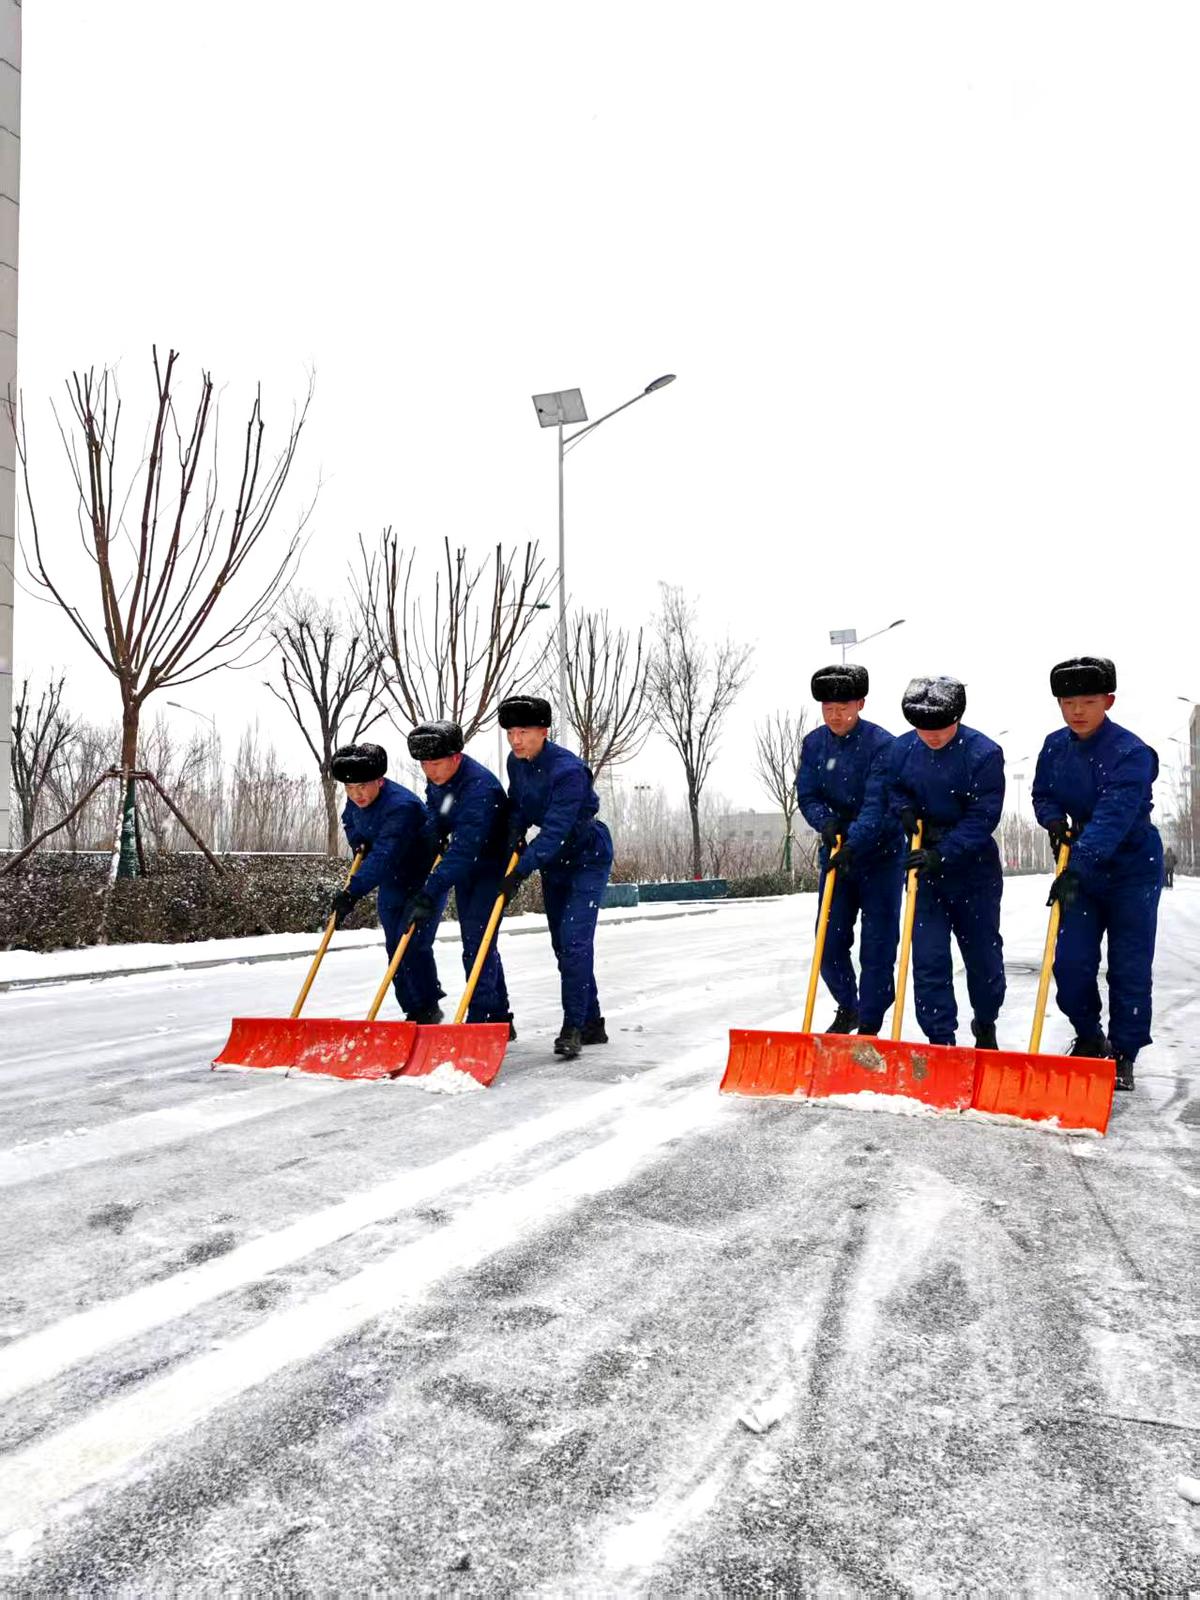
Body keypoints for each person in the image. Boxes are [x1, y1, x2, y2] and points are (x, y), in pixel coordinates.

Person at [1031, 656, 1163, 1092]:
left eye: (1088, 701)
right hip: (1082, 866)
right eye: (1068, 702)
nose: (1078, 711)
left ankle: (1124, 1052)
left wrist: (1078, 865)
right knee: (1071, 964)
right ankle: (1089, 1036)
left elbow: (1114, 817)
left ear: (1108, 700)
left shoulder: (1131, 752)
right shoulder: (1055, 746)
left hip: (1130, 868)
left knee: (1128, 966)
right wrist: (1052, 821)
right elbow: (1043, 793)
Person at [884, 676, 1006, 1049]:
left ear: (957, 718)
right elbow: (892, 786)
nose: (932, 736)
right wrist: (902, 808)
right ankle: (941, 1040)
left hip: (973, 870)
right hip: (925, 870)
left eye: (941, 728)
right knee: (928, 959)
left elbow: (983, 816)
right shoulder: (901, 750)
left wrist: (946, 852)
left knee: (983, 960)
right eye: (924, 729)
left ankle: (985, 1023)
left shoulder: (983, 753)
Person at [500, 694, 613, 1059]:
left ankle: (574, 1026)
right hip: (554, 862)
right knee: (563, 946)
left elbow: (555, 832)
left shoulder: (568, 771)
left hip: (586, 857)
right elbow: (517, 805)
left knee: (575, 941)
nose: (516, 740)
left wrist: (520, 870)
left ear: (544, 732)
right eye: (511, 732)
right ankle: (593, 1021)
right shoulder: (516, 764)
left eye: (524, 732)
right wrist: (513, 837)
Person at [795, 663, 904, 1034]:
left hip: (880, 856)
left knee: (877, 945)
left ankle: (871, 1022)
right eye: (827, 708)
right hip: (836, 853)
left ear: (860, 703)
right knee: (829, 939)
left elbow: (878, 803)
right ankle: (849, 1005)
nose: (835, 715)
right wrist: (825, 822)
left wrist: (855, 839)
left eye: (843, 707)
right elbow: (807, 794)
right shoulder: (814, 744)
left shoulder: (883, 746)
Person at [402, 720, 515, 1037]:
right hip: (467, 866)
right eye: (424, 765)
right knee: (481, 944)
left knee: (477, 945)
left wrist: (430, 890)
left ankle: (481, 1021)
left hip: (491, 867)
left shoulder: (480, 788)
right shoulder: (440, 781)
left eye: (436, 764)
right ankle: (500, 1016)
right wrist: (432, 835)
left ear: (456, 757)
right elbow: (438, 813)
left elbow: (466, 849)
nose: (430, 771)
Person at [328, 742, 443, 1024]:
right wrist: (359, 842)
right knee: (395, 947)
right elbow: (350, 821)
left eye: (363, 786)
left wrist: (352, 891)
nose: (356, 794)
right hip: (392, 882)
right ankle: (414, 1010)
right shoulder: (356, 800)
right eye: (349, 787)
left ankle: (428, 1006)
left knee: (413, 944)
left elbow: (385, 855)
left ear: (380, 780)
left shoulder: (401, 807)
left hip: (422, 881)